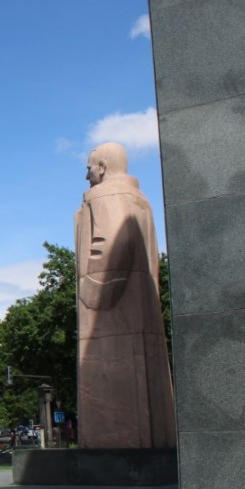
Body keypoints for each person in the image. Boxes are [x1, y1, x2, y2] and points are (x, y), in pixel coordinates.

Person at [74, 142, 175, 449]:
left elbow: (110, 241)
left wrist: (92, 289)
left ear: (102, 166)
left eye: (89, 168)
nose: (86, 175)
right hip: (141, 303)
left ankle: (115, 441)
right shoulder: (139, 199)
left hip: (111, 299)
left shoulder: (105, 195)